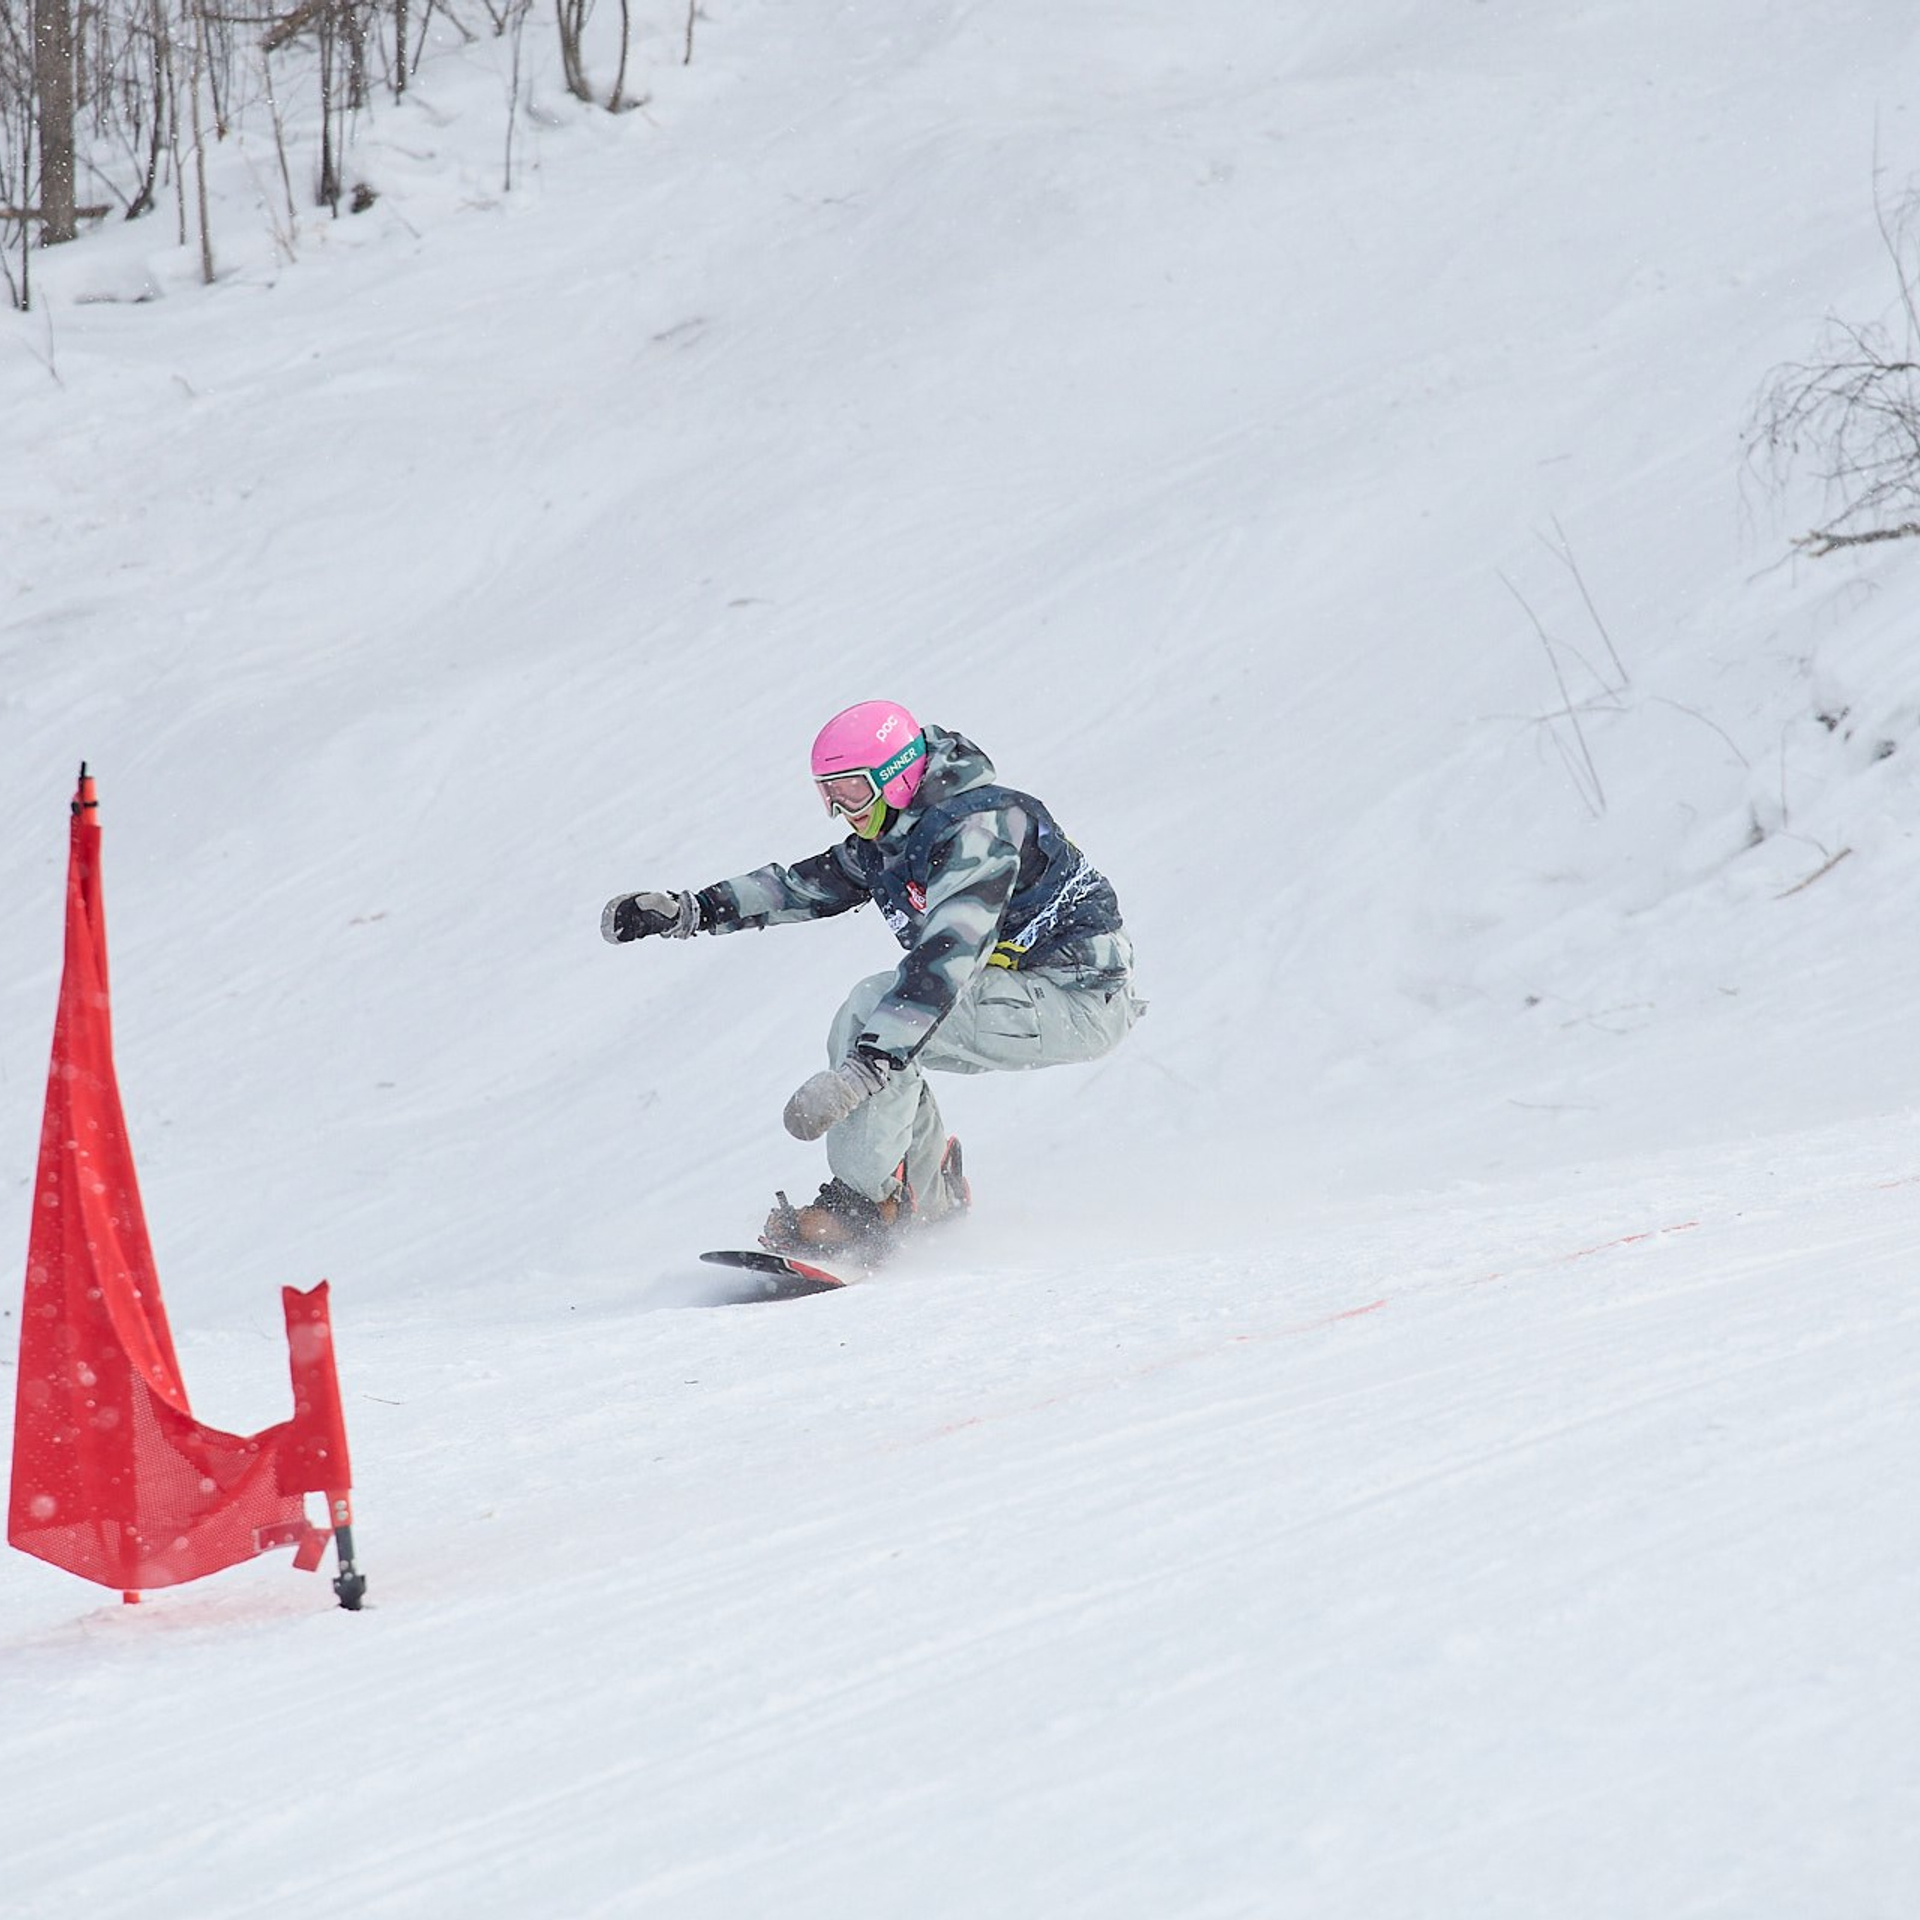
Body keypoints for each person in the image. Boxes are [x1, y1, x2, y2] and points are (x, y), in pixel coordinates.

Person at [601, 700, 1143, 1261]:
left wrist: (863, 1071)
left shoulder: (979, 831)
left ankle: (862, 1208)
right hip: (1023, 994)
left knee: (878, 1014)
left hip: (1076, 998)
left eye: (853, 791)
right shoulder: (899, 838)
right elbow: (803, 886)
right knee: (886, 1028)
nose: (841, 810)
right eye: (827, 794)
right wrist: (692, 910)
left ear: (900, 775)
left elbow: (946, 956)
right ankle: (926, 1197)